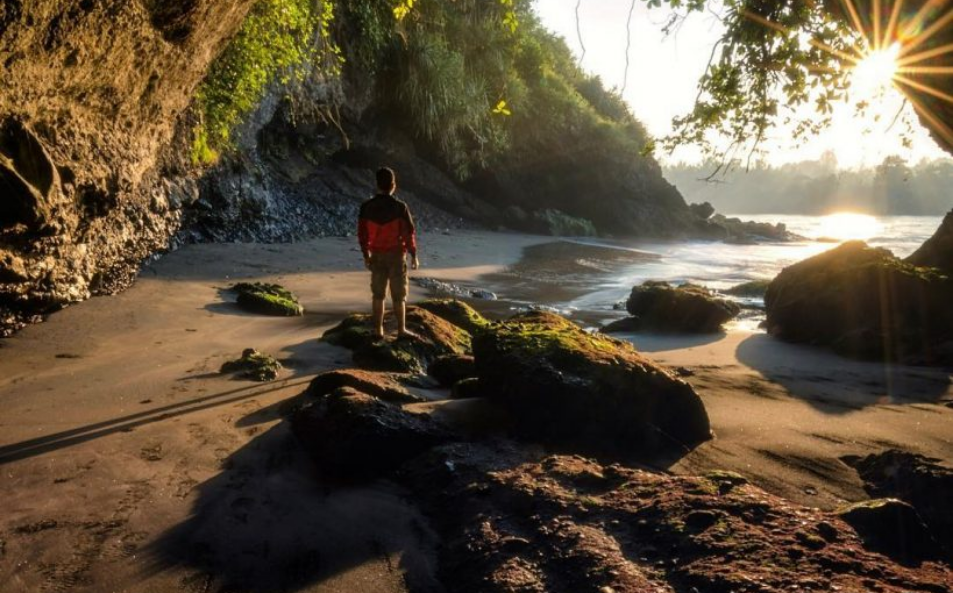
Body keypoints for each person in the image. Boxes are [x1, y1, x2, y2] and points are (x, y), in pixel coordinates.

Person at [358, 167, 420, 339]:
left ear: (377, 184)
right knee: (399, 296)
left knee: (378, 295)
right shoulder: (400, 208)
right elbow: (409, 233)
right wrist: (413, 254)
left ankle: (378, 330)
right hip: (396, 256)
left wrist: (366, 254)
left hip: (376, 255)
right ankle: (401, 330)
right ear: (393, 185)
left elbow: (362, 234)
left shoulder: (366, 207)